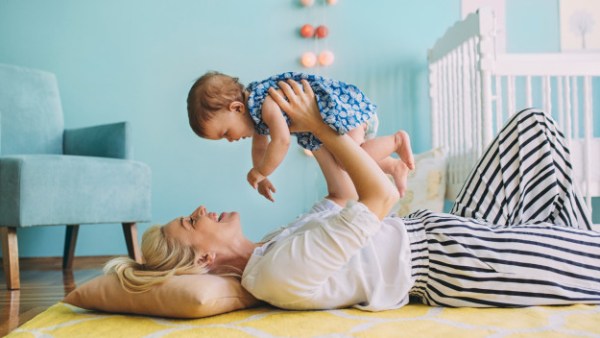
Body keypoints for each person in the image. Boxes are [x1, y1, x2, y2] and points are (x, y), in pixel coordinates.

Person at [106, 79, 599, 310]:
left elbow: (341, 193)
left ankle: (564, 254)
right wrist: (324, 127)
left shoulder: (275, 244)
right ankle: (568, 258)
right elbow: (379, 196)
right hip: (457, 262)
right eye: (190, 223)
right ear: (205, 259)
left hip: (444, 231)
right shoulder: (276, 273)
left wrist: (309, 129)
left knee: (532, 129)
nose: (198, 210)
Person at [186, 71, 415, 201]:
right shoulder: (256, 120)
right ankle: (394, 167)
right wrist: (262, 176)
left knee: (350, 161)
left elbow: (282, 140)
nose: (230, 139)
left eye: (226, 133)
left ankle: (397, 140)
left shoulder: (266, 103)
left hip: (343, 113)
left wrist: (261, 170)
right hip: (332, 125)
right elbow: (259, 149)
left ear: (237, 108)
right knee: (350, 161)